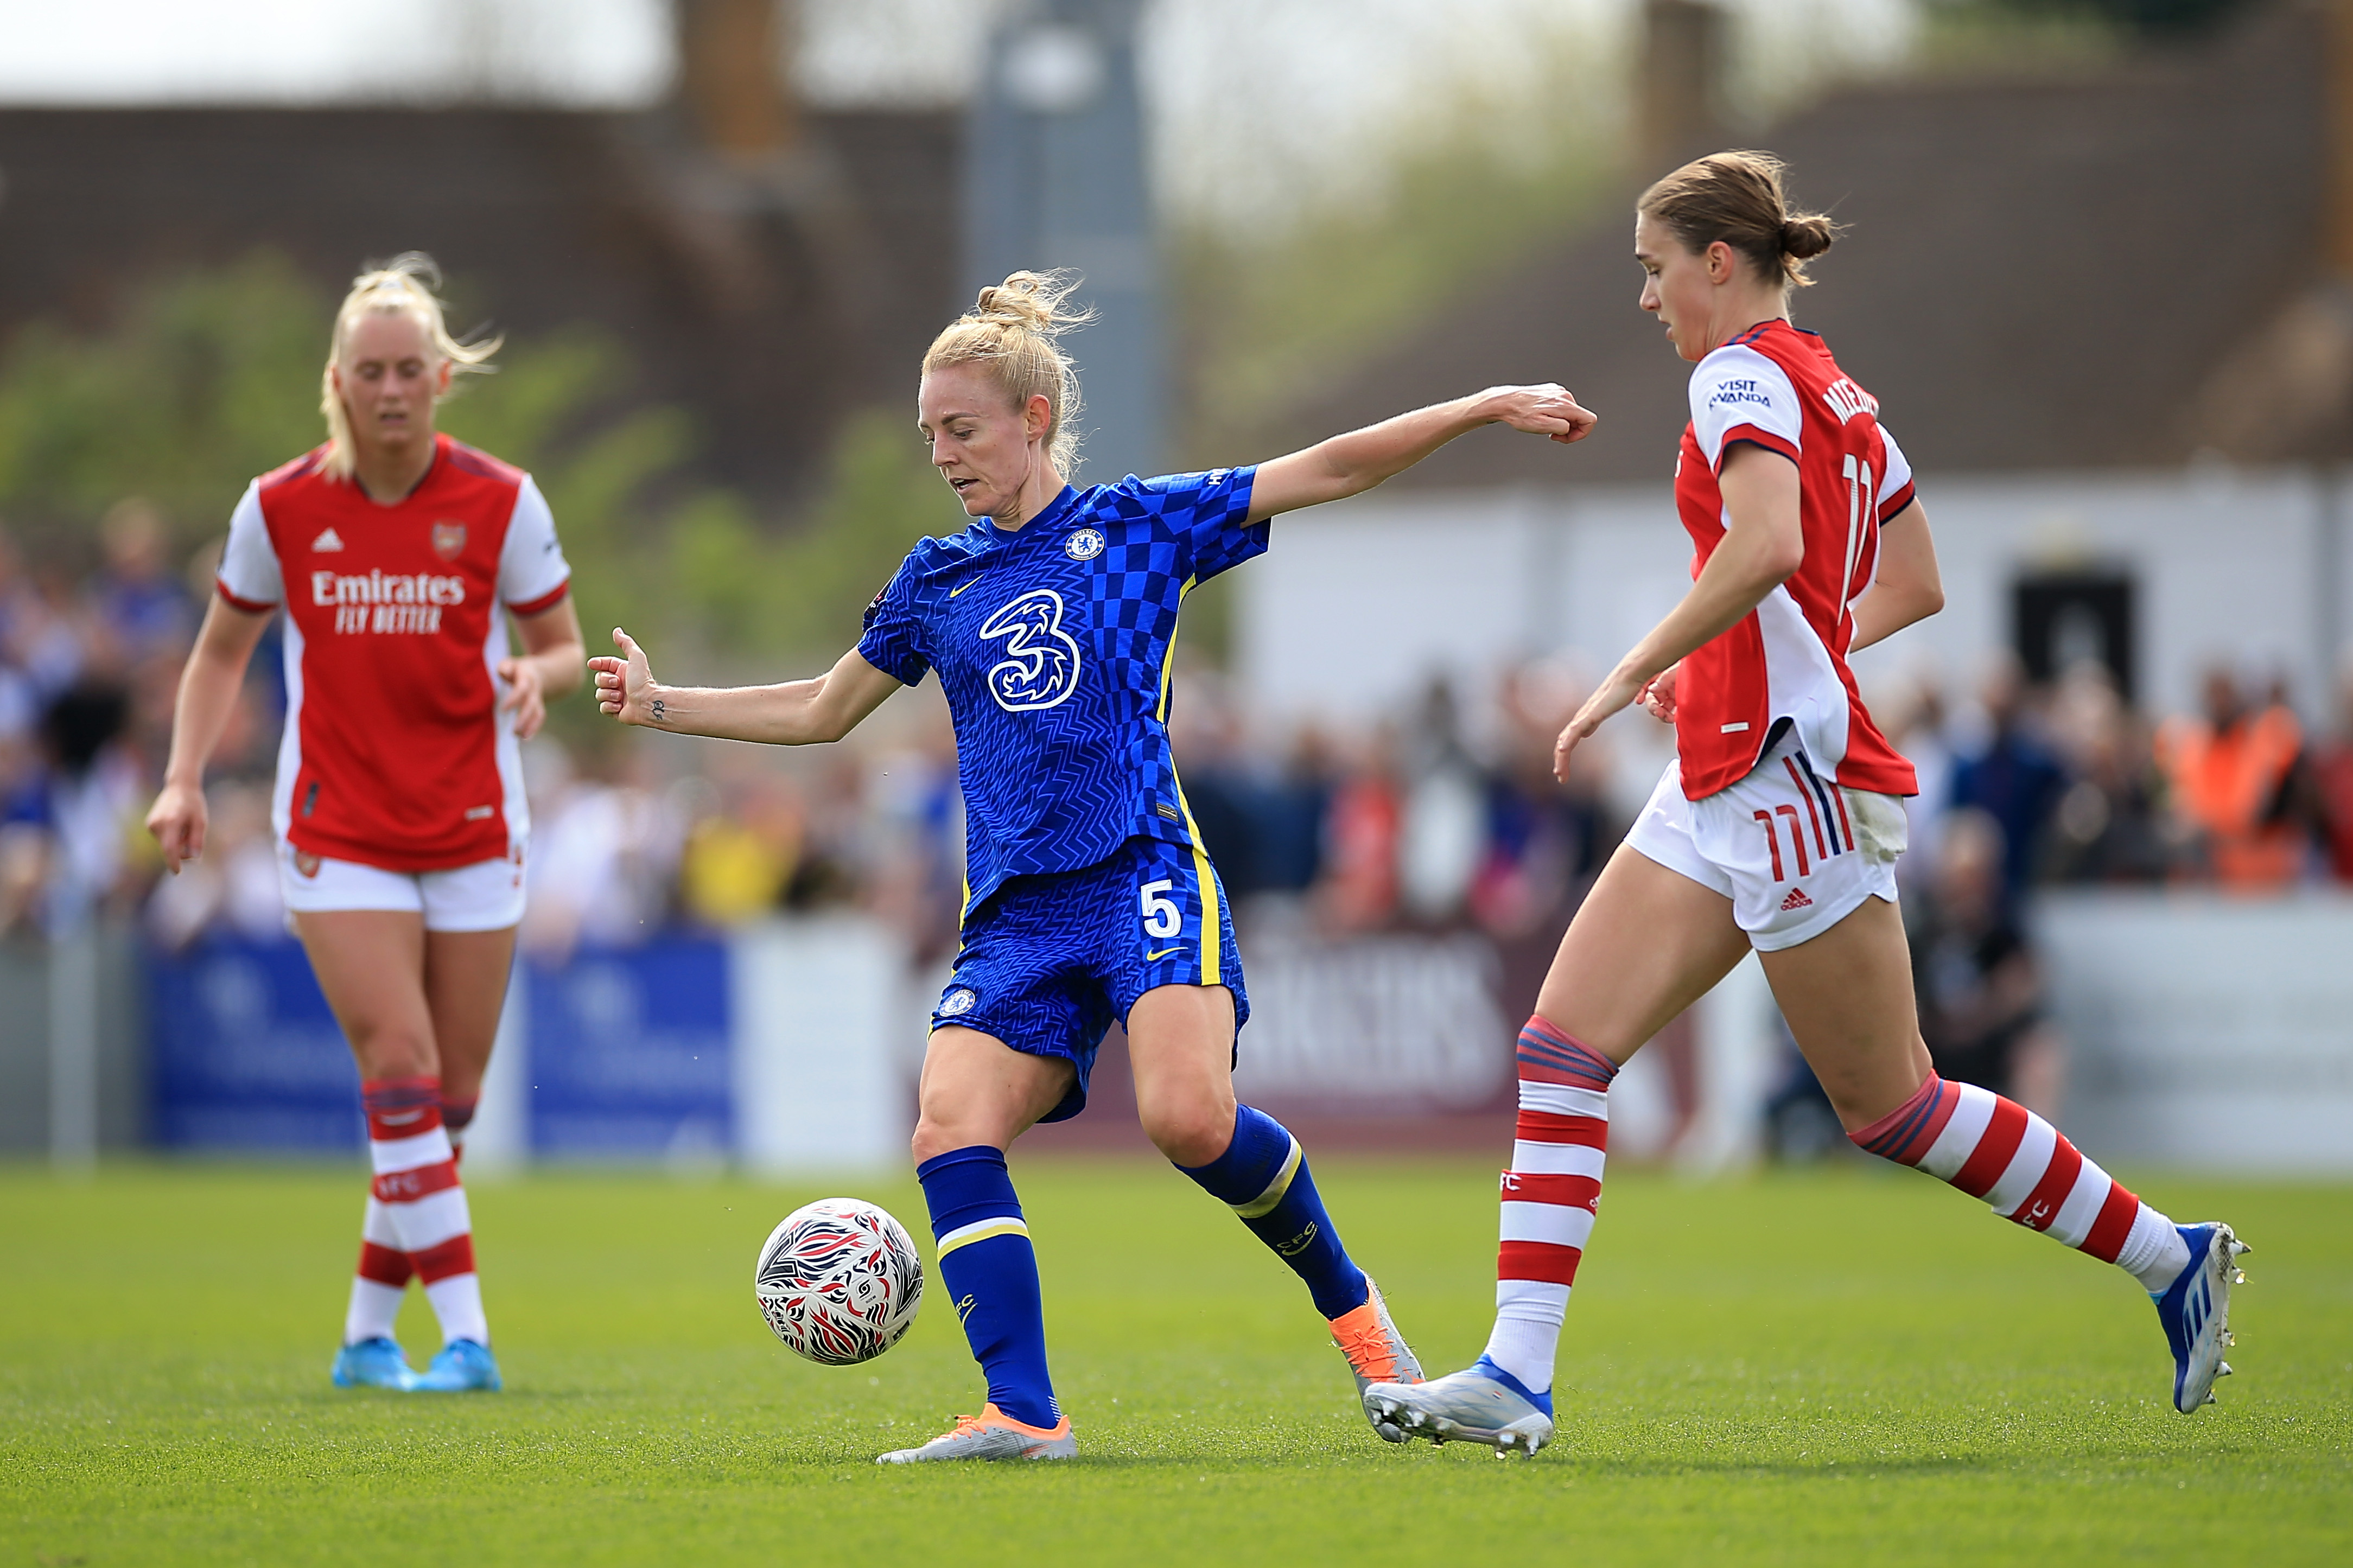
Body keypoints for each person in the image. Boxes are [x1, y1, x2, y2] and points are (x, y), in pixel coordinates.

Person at [592, 270, 1595, 1462]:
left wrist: (1475, 405)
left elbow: (1324, 467)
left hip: (1140, 871)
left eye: (959, 429)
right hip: (1016, 913)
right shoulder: (935, 577)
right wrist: (662, 707)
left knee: (1186, 1118)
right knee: (947, 1126)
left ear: (1031, 418)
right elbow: (821, 709)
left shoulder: (1138, 527)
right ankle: (1023, 1411)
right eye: (928, 435)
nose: (941, 454)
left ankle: (1358, 1314)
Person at [1365, 151, 2247, 1456]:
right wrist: (1736, 655)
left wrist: (1642, 660)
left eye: (1652, 268)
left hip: (1782, 779)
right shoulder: (1837, 386)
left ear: (1716, 263)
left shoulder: (1734, 374)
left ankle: (2171, 1254)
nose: (1646, 297)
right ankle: (1513, 1369)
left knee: (1890, 1105)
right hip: (1728, 765)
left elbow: (1769, 545)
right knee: (1561, 1048)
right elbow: (1910, 577)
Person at [146, 255, 585, 1394]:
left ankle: (360, 1338)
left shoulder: (502, 499)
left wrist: (538, 676)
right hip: (337, 829)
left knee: (445, 1106)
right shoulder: (280, 506)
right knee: (397, 1061)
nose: (389, 388)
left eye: (408, 369)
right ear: (335, 382)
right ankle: (470, 1338)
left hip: (477, 824)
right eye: (367, 370)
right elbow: (220, 654)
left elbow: (563, 642)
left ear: (442, 377)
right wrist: (184, 778)